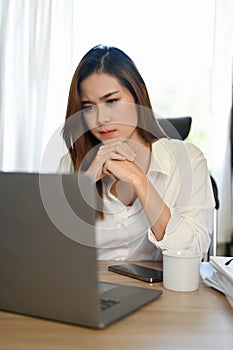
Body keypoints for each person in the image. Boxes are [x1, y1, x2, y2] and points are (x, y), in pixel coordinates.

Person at [59, 44, 215, 261]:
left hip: (163, 293)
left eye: (112, 101)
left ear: (138, 94)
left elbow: (193, 252)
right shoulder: (70, 163)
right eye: (89, 107)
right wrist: (85, 182)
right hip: (89, 292)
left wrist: (140, 181)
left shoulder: (188, 160)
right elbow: (53, 254)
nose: (101, 119)